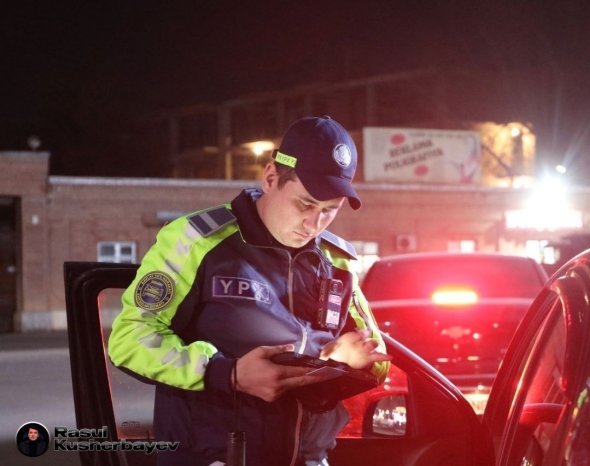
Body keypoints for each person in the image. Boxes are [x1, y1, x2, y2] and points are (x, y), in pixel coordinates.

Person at [108, 115, 391, 466]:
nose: (313, 223)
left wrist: (343, 365)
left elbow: (379, 357)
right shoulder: (198, 240)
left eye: (329, 210)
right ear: (271, 178)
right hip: (215, 459)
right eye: (305, 204)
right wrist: (227, 374)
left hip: (308, 459)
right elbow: (130, 339)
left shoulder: (337, 262)